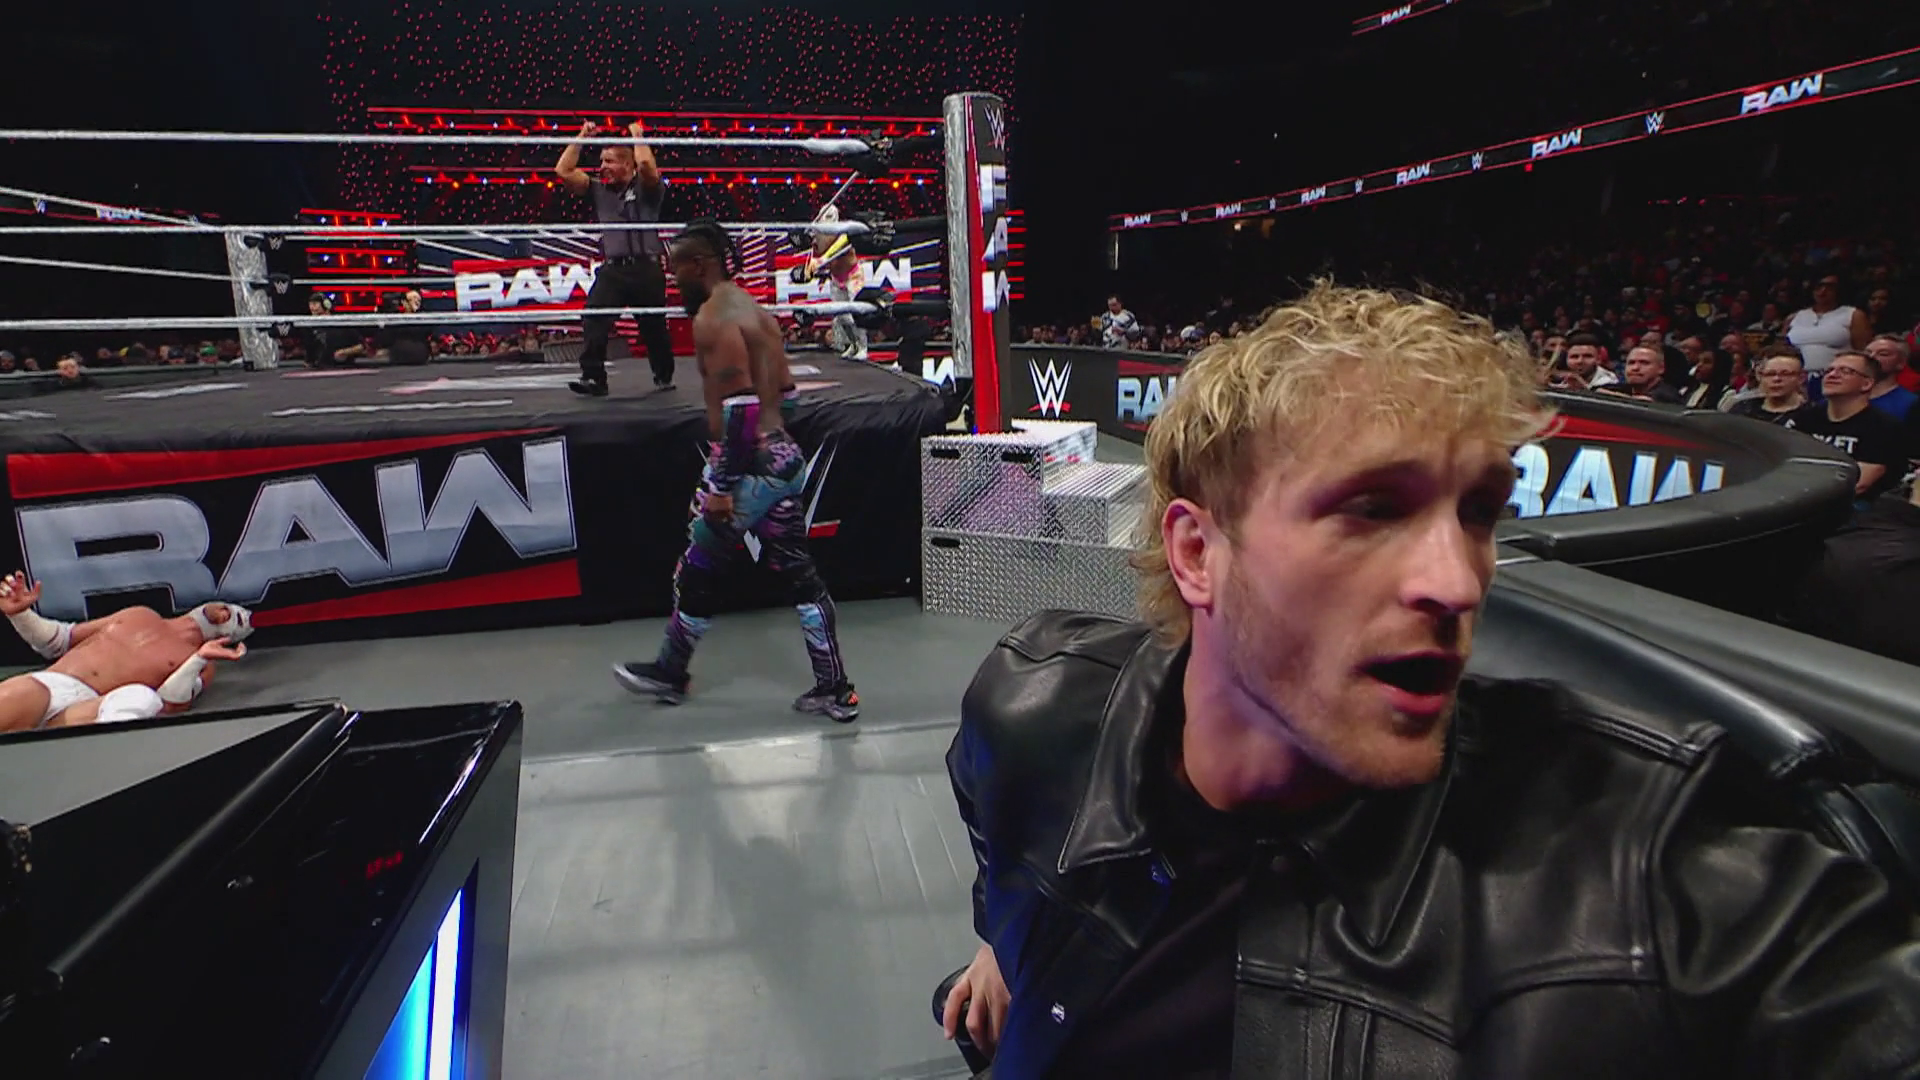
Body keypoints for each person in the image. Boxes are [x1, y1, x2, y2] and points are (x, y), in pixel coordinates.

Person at [936, 283, 1920, 1078]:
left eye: (1479, 514)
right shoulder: (1034, 702)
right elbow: (1002, 832)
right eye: (1372, 509)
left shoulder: (1639, 860)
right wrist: (1006, 943)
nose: (1458, 583)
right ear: (1198, 553)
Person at [613, 220, 858, 722]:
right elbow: (787, 398)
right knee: (801, 576)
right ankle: (834, 688)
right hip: (783, 461)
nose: (672, 279)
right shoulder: (756, 311)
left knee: (697, 567)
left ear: (699, 265)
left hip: (748, 468)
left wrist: (723, 486)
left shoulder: (713, 316)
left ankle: (671, 671)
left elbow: (742, 408)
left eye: (677, 269)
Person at [0, 571, 252, 734]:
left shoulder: (203, 663)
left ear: (228, 638)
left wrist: (198, 658)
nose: (226, 614)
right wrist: (21, 616)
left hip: (89, 709)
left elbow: (170, 704)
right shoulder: (139, 615)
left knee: (142, 698)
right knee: (26, 694)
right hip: (54, 684)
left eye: (236, 621)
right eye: (230, 608)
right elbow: (60, 640)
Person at [555, 120, 675, 396]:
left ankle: (663, 375)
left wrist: (637, 136)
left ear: (626, 164)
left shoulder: (647, 188)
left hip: (645, 268)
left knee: (653, 327)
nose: (602, 166)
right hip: (614, 270)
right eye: (601, 161)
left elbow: (646, 166)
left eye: (609, 161)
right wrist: (582, 136)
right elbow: (563, 170)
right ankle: (593, 377)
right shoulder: (599, 190)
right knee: (594, 317)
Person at [1783, 349, 1908, 503]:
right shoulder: (1804, 418)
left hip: (1858, 507)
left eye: (1846, 371)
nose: (1832, 375)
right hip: (1800, 499)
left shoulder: (1883, 426)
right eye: (1829, 370)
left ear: (1866, 384)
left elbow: (1858, 484)